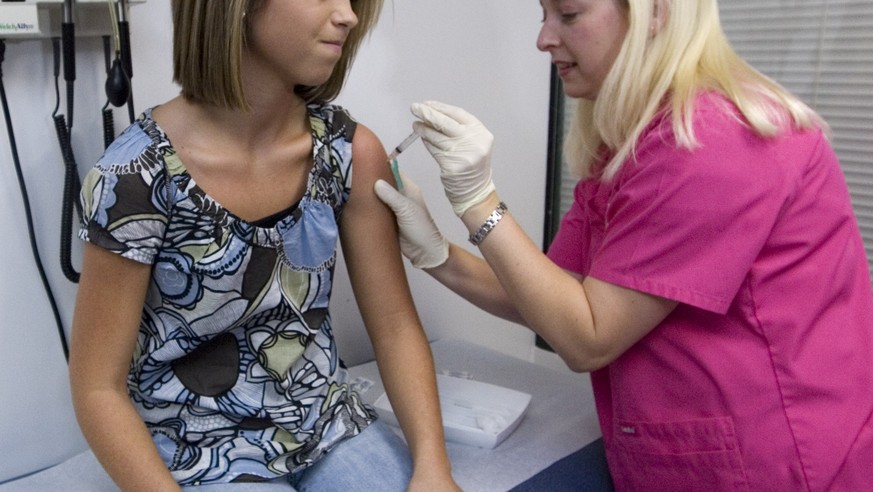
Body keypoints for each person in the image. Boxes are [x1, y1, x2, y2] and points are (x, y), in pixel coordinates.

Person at [374, 0, 873, 490]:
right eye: (543, 15)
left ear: (655, 12)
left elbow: (586, 336)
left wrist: (479, 203)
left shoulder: (714, 143)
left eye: (568, 15)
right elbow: (556, 298)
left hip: (774, 459)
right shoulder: (631, 142)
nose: (544, 38)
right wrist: (436, 254)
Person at [69, 0, 461, 490]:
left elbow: (395, 326)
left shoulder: (348, 152)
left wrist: (433, 467)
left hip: (324, 421)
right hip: (196, 442)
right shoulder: (134, 178)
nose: (349, 16)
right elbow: (96, 388)